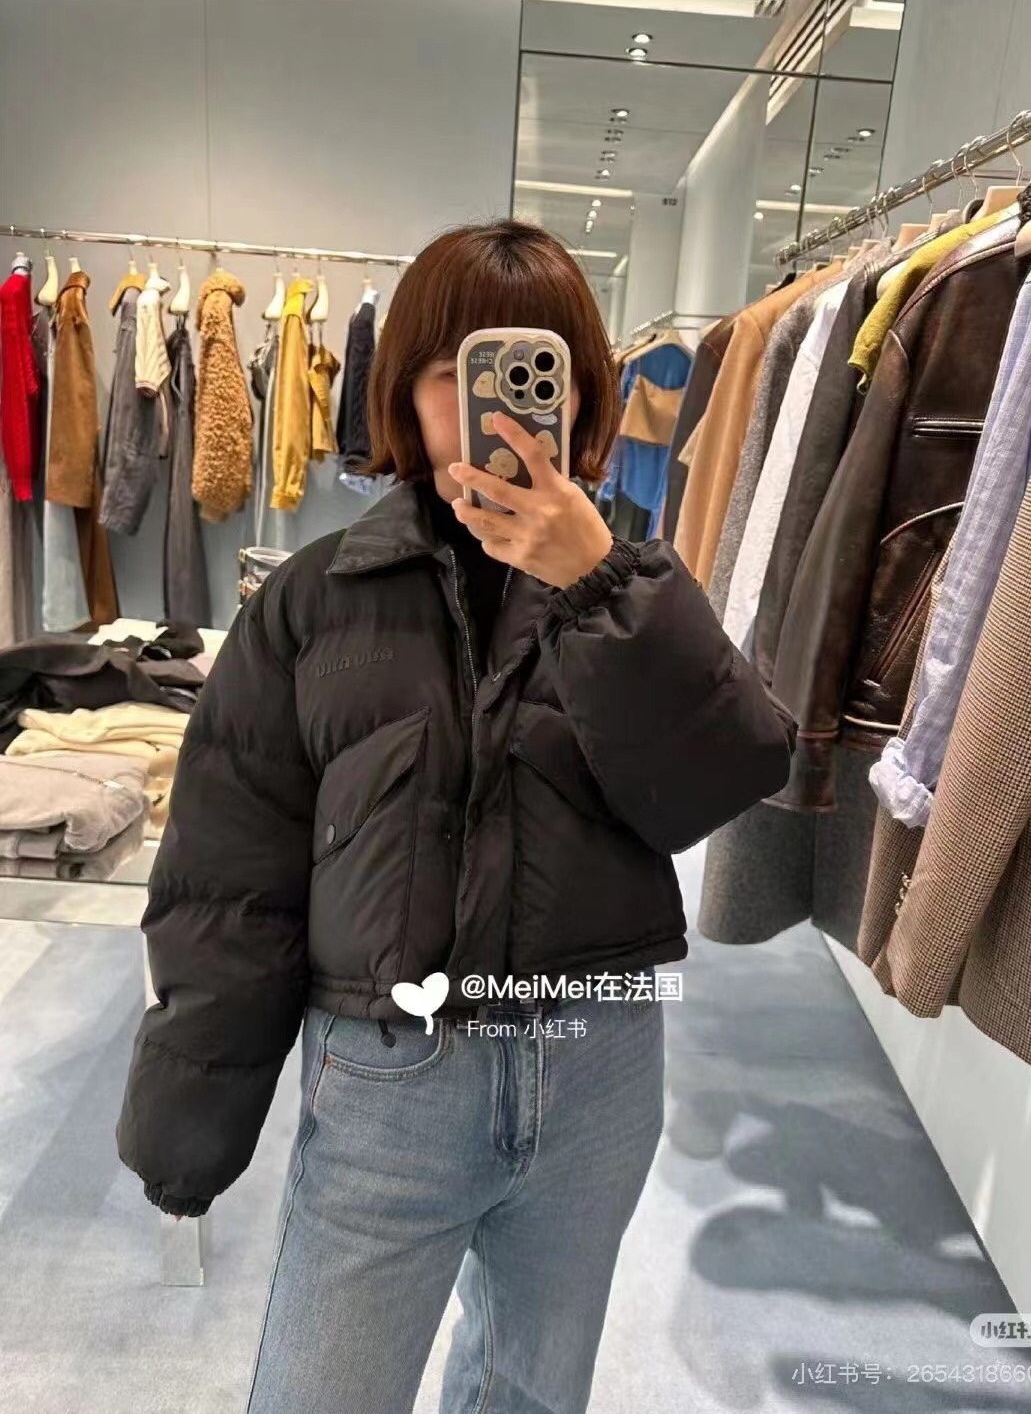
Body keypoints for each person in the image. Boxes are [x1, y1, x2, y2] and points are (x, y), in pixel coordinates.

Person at [115, 219, 797, 1414]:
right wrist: (192, 1114)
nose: (500, 407)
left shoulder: (636, 590)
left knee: (530, 1394)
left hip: (597, 1072)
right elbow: (232, 871)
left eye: (542, 371)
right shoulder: (315, 602)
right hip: (390, 1082)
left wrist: (597, 585)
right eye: (457, 371)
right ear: (406, 392)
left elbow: (721, 781)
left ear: (583, 396)